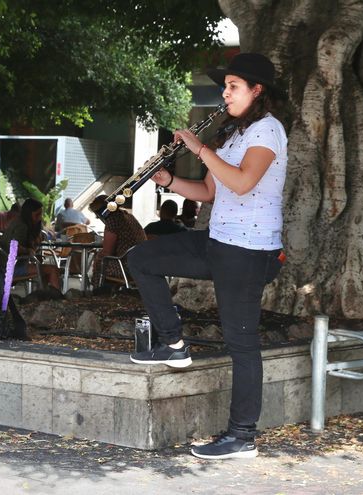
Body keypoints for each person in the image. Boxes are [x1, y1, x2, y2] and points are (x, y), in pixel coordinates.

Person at [127, 53, 287, 460]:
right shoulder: (233, 134)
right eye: (225, 86)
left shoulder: (267, 132)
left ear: (257, 91)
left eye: (233, 87)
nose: (225, 93)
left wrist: (198, 149)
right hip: (219, 241)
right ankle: (173, 343)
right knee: (142, 259)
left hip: (249, 251)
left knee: (241, 343)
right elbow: (211, 193)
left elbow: (244, 182)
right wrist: (169, 179)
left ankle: (242, 436)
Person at [0, 198, 61, 290]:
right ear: (29, 213)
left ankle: (45, 296)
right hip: (11, 268)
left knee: (42, 265)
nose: (40, 217)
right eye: (37, 214)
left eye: (41, 214)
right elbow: (14, 247)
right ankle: (56, 300)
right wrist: (28, 250)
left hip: (4, 264)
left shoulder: (18, 221)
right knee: (53, 269)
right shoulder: (22, 226)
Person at [88, 195, 146, 287]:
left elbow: (107, 252)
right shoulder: (129, 216)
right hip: (142, 264)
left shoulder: (113, 220)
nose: (97, 218)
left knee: (101, 261)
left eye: (97, 215)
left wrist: (97, 258)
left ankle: (99, 292)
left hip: (126, 266)